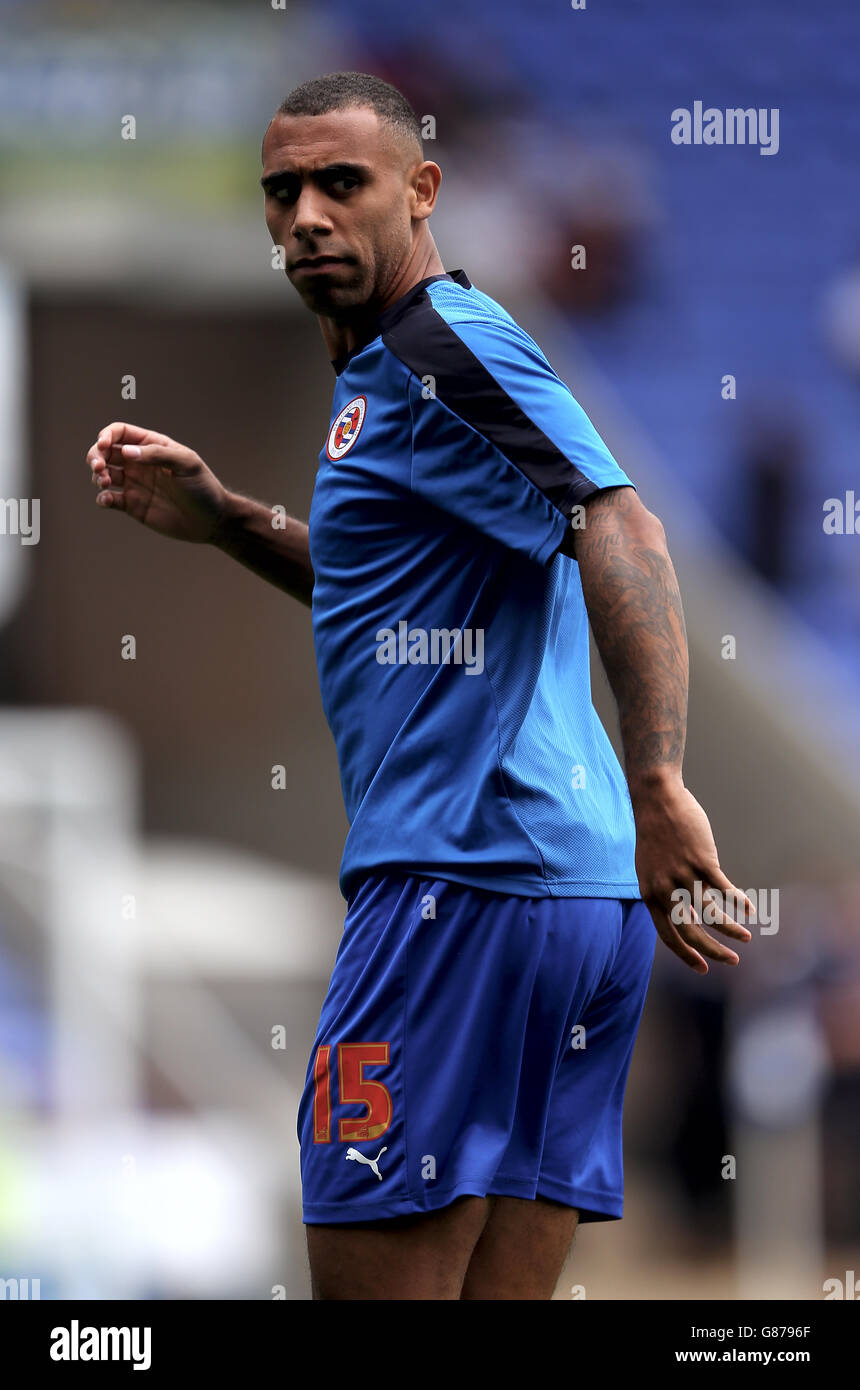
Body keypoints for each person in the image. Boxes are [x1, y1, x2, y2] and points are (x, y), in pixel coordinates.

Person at [85, 71, 752, 1301]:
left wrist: (659, 778)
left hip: (454, 890)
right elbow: (390, 595)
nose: (307, 217)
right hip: (571, 903)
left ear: (422, 189)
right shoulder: (387, 385)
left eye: (343, 184)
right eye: (282, 193)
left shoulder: (437, 344)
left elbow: (621, 524)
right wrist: (229, 519)